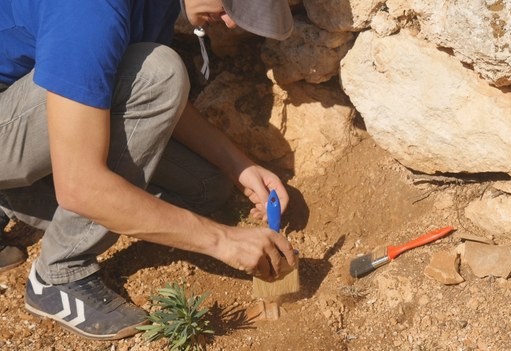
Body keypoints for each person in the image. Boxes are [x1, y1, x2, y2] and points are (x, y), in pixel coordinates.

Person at [0, 0, 297, 341]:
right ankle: (59, 273)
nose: (232, 24)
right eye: (232, 5)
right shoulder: (91, 7)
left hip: (25, 107)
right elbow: (79, 185)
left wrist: (239, 166)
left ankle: (17, 194)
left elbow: (138, 88)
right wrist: (222, 241)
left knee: (205, 186)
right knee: (162, 70)